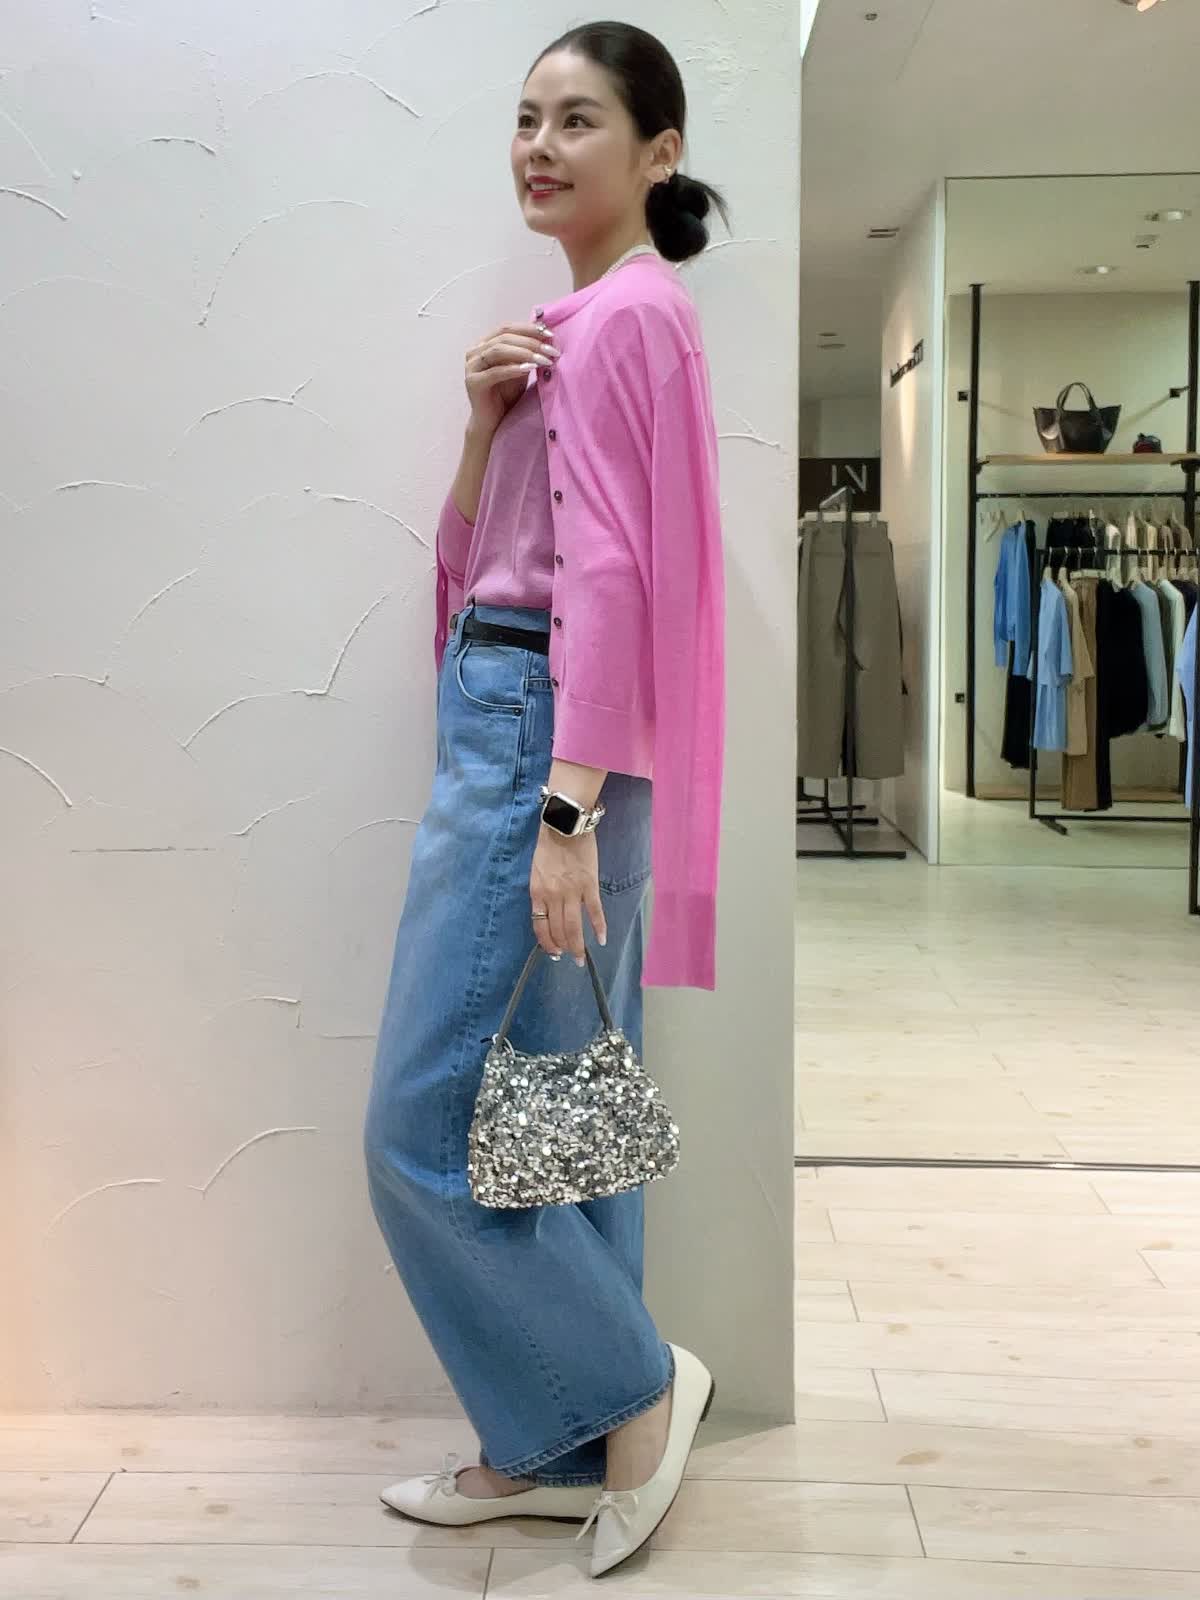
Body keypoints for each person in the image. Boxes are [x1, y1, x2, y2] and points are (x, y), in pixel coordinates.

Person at [362, 21, 727, 1579]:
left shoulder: (625, 317)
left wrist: (565, 813)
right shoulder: (578, 328)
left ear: (659, 151)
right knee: (558, 1116)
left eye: (578, 119)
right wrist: (480, 425)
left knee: (422, 1127)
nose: (538, 145)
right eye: (525, 117)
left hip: (540, 738)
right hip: (539, 720)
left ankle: (632, 1389)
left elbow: (609, 578)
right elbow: (475, 571)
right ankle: (555, 1454)